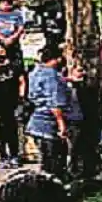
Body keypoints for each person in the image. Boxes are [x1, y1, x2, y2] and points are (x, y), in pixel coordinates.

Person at [27, 45, 70, 180]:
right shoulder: (52, 75)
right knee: (54, 163)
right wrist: (61, 125)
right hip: (48, 124)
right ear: (56, 59)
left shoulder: (35, 72)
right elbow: (54, 102)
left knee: (46, 161)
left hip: (36, 123)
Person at [0, 0, 26, 69]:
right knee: (0, 62)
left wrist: (12, 38)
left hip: (14, 41)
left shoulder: (17, 14)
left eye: (8, 4)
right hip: (1, 43)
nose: (6, 6)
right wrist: (4, 39)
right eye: (3, 4)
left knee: (16, 63)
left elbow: (20, 28)